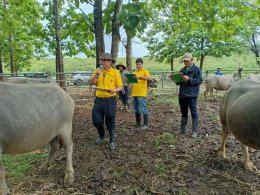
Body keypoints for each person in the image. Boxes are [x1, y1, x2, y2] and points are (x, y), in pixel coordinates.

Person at [90, 53, 123, 150]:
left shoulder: (115, 72)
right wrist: (96, 75)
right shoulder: (98, 71)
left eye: (106, 60)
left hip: (110, 100)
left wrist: (115, 90)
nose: (104, 62)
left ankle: (112, 140)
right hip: (99, 100)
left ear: (110, 62)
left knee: (110, 120)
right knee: (96, 120)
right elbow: (92, 83)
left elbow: (120, 87)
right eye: (102, 60)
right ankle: (101, 134)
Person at [177, 53, 202, 138]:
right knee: (183, 112)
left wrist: (189, 79)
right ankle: (182, 129)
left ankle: (194, 131)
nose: (186, 62)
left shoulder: (197, 70)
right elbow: (178, 83)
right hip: (182, 94)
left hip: (192, 95)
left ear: (192, 60)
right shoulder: (182, 70)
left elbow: (199, 81)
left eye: (187, 61)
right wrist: (176, 78)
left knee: (193, 112)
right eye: (184, 61)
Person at [131, 58, 151, 129]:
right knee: (136, 109)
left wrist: (139, 77)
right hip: (134, 92)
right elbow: (133, 82)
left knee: (143, 108)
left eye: (139, 64)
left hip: (141, 93)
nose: (138, 66)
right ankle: (138, 123)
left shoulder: (145, 71)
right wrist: (130, 79)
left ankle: (145, 124)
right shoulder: (135, 72)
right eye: (137, 64)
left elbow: (149, 78)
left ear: (142, 64)